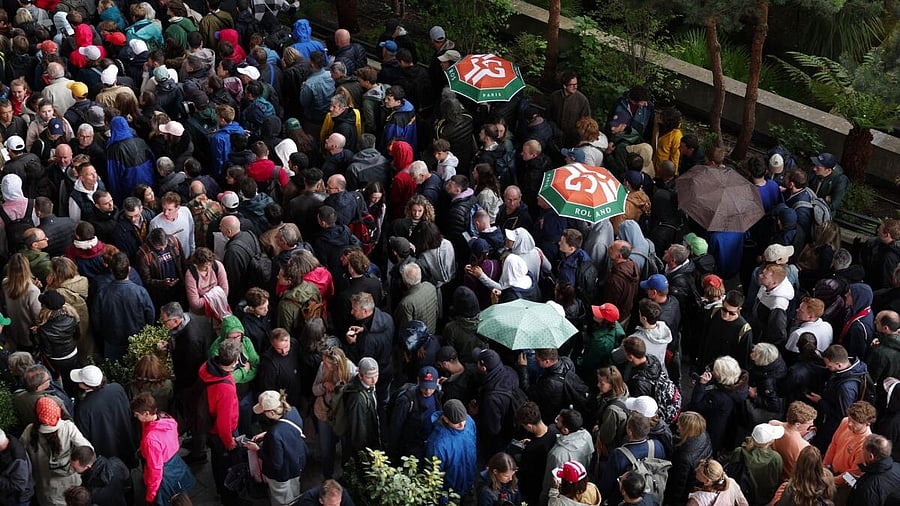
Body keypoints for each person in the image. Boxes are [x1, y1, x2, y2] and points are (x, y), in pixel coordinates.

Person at [21, 397, 93, 506]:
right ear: (58, 412)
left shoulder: (29, 431)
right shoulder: (68, 428)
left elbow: (21, 454)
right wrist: (79, 465)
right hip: (70, 488)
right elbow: (87, 449)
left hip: (45, 488)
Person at [131, 392, 195, 506]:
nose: (135, 416)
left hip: (164, 474)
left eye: (137, 414)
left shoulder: (151, 440)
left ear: (146, 413)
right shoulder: (167, 419)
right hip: (175, 462)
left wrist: (151, 495)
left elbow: (155, 470)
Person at [245, 390, 308, 506]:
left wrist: (257, 449)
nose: (263, 414)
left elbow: (276, 464)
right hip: (296, 465)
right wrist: (266, 433)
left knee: (282, 501)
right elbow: (288, 431)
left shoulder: (275, 434)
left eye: (264, 411)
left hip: (281, 475)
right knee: (295, 494)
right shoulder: (292, 411)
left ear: (271, 413)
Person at [70, 365, 137, 468]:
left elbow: (84, 438)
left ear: (85, 385)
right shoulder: (117, 388)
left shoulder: (84, 408)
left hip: (106, 456)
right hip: (125, 444)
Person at [312, 346, 357, 479]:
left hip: (342, 416)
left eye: (327, 363)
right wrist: (324, 385)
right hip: (325, 412)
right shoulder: (322, 367)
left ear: (336, 363)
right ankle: (328, 477)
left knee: (346, 447)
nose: (324, 364)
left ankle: (346, 476)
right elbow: (314, 390)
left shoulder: (350, 370)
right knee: (326, 448)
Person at [426, 398, 478, 503]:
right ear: (445, 419)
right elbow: (434, 476)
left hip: (469, 484)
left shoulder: (469, 422)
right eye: (457, 423)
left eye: (463, 420)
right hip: (451, 493)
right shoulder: (437, 444)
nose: (462, 425)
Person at [665, 412, 713, 506]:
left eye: (680, 424)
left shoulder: (683, 457)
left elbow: (678, 486)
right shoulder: (703, 434)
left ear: (687, 430)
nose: (677, 424)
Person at [847, 434, 900, 506]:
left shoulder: (868, 487)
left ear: (871, 456)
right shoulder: (897, 467)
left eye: (863, 449)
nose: (861, 451)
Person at [0, 427, 35, 506]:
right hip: (7, 496)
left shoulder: (18, 460)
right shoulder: (7, 441)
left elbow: (18, 485)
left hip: (18, 500)